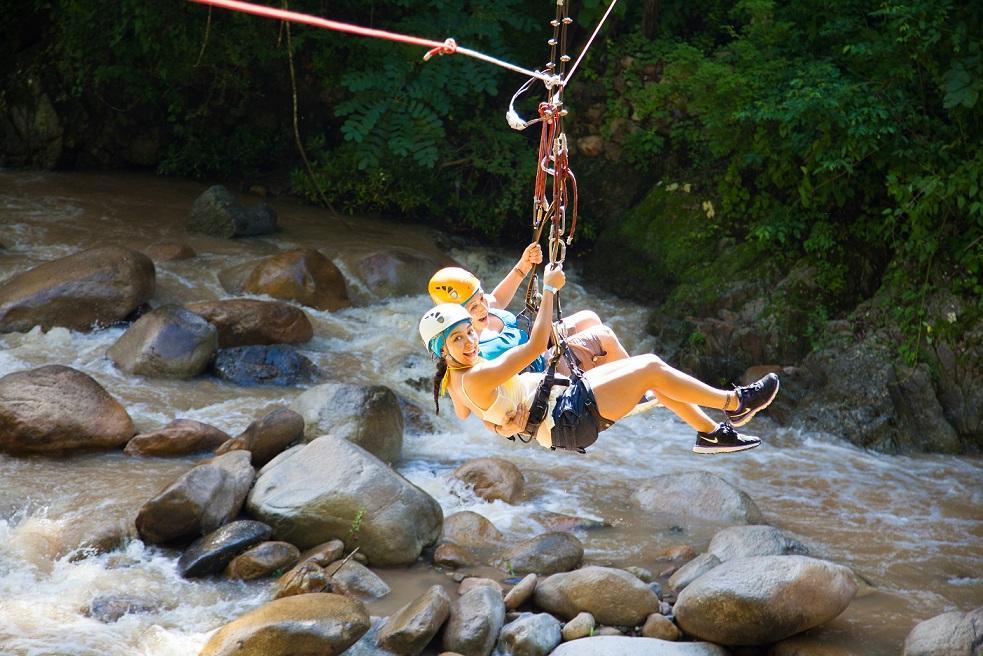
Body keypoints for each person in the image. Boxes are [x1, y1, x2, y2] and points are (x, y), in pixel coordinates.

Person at [419, 263, 779, 455]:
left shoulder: (461, 373)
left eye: (468, 332)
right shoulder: (475, 374)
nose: (470, 341)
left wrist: (498, 422)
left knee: (648, 370)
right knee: (650, 367)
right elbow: (530, 350)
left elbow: (471, 407)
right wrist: (546, 290)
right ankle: (735, 403)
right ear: (442, 350)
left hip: (557, 407)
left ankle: (713, 432)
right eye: (459, 337)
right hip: (562, 417)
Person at [427, 243, 629, 377]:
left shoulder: (486, 309)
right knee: (604, 337)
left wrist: (524, 265)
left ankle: (615, 376)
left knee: (588, 318)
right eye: (473, 307)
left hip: (539, 349)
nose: (483, 308)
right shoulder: (469, 348)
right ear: (456, 317)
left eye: (481, 298)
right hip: (540, 373)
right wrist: (549, 289)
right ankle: (633, 386)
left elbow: (496, 298)